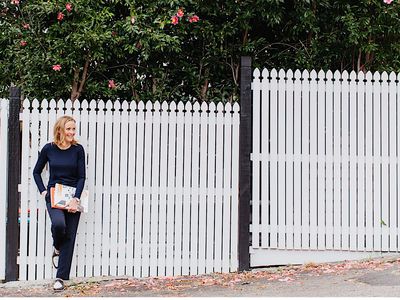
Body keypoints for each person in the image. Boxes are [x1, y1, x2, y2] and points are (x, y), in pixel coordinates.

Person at [33, 115, 86, 291]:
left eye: (73, 129)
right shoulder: (49, 149)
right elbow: (36, 172)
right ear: (60, 130)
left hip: (73, 197)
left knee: (69, 237)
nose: (71, 132)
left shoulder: (78, 149)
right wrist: (43, 190)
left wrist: (75, 199)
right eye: (68, 129)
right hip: (55, 196)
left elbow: (81, 177)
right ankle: (56, 246)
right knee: (58, 225)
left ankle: (60, 278)